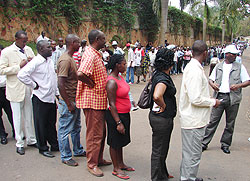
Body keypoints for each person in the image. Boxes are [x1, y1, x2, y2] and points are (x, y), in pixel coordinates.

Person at [179, 40, 220, 181]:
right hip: (193, 121)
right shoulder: (194, 70)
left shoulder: (194, 68)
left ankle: (188, 176)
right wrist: (213, 102)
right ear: (205, 53)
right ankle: (188, 178)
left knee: (190, 153)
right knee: (193, 154)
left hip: (194, 119)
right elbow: (195, 98)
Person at [202, 44, 250, 154]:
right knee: (213, 121)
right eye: (232, 54)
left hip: (233, 98)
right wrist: (212, 85)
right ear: (227, 55)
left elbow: (247, 81)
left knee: (230, 123)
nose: (235, 56)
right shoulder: (219, 66)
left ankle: (225, 144)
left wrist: (238, 86)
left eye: (235, 54)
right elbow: (210, 79)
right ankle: (204, 143)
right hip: (220, 97)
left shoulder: (239, 67)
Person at [76, 29, 111, 177]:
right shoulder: (90, 55)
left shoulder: (96, 54)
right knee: (94, 134)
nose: (105, 41)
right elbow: (80, 74)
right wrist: (92, 84)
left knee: (101, 133)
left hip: (98, 100)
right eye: (103, 38)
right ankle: (92, 164)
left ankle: (98, 158)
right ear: (97, 39)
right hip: (92, 101)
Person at [17, 40, 59, 158]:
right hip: (40, 98)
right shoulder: (36, 62)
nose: (51, 49)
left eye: (51, 47)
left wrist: (56, 94)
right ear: (40, 49)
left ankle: (54, 144)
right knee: (41, 124)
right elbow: (21, 75)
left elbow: (52, 79)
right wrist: (34, 85)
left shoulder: (49, 61)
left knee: (51, 123)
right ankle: (43, 147)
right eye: (48, 47)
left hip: (50, 98)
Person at [0, 30, 37, 155]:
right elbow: (2, 70)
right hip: (15, 88)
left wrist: (31, 63)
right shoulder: (7, 52)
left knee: (29, 115)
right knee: (17, 117)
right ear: (16, 39)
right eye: (23, 40)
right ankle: (19, 142)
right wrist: (18, 67)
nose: (25, 42)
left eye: (26, 40)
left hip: (27, 87)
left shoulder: (28, 50)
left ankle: (31, 139)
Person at [57, 34, 86, 167]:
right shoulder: (65, 60)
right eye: (78, 42)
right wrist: (68, 103)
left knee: (76, 127)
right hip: (68, 100)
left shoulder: (70, 58)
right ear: (72, 43)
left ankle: (77, 149)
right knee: (65, 129)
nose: (79, 45)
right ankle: (66, 156)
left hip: (75, 99)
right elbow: (60, 84)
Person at [149, 48, 176, 181]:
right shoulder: (162, 78)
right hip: (162, 119)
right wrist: (163, 105)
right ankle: (156, 178)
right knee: (159, 150)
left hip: (159, 118)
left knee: (162, 148)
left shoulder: (158, 73)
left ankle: (162, 173)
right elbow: (157, 95)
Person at [106, 54, 134, 180]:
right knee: (114, 142)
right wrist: (118, 122)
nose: (126, 66)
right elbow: (111, 104)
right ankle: (115, 168)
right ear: (117, 65)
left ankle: (121, 163)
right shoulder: (112, 81)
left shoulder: (120, 77)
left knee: (120, 141)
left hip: (124, 114)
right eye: (124, 64)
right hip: (115, 116)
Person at [0, 45, 15, 145]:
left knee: (10, 112)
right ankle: (2, 135)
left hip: (6, 89)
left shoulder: (6, 61)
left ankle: (16, 131)